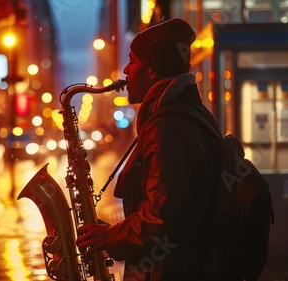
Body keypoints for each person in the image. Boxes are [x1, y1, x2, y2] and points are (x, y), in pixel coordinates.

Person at [76, 18, 227, 281]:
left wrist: (110, 237)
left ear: (153, 71)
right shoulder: (186, 114)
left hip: (169, 270)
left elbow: (162, 218)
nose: (125, 69)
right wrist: (116, 231)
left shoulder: (165, 128)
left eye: (132, 61)